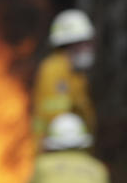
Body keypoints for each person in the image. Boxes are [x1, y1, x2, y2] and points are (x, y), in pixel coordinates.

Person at [31, 8, 97, 151]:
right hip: (53, 147)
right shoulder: (54, 70)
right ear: (69, 44)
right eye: (83, 43)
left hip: (72, 146)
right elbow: (55, 115)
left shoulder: (75, 74)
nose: (88, 48)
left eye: (88, 42)